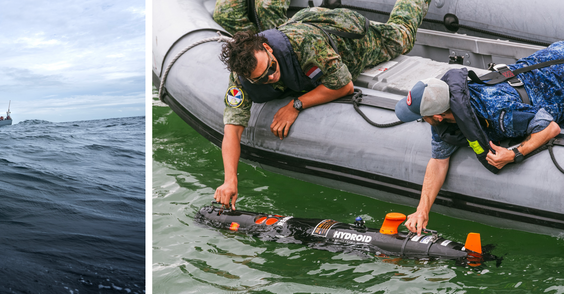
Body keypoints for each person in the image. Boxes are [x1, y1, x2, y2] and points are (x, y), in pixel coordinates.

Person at [213, 0, 432, 210]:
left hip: (350, 40)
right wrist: (229, 179)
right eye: (261, 79)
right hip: (309, 26)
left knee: (402, 34)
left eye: (271, 68)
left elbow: (344, 86)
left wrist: (296, 105)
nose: (270, 77)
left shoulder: (306, 45)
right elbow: (232, 128)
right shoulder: (241, 76)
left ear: (268, 49)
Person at [394, 41, 564, 235]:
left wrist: (514, 153)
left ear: (437, 116)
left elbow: (550, 127)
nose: (423, 121)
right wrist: (422, 210)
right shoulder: (444, 115)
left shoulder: (496, 112)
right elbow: (438, 161)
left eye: (422, 117)